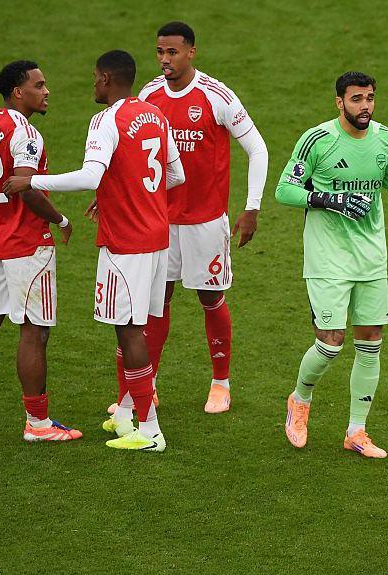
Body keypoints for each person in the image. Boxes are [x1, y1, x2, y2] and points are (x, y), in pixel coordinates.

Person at [4, 50, 185, 452]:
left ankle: (151, 430)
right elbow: (176, 173)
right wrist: (126, 192)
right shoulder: (155, 114)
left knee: (130, 330)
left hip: (126, 242)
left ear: (106, 79)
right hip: (157, 239)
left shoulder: (105, 120)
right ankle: (124, 413)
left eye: (94, 78)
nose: (93, 84)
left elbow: (90, 175)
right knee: (136, 325)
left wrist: (33, 182)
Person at [101, 21, 268, 415]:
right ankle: (148, 384)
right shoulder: (150, 95)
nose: (164, 60)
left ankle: (220, 383)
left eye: (172, 52)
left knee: (210, 297)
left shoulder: (216, 96)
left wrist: (252, 207)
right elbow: (130, 151)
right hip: (159, 221)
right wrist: (106, 193)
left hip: (206, 222)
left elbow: (257, 149)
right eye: (159, 52)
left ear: (191, 52)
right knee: (158, 301)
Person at [275, 71, 388, 458]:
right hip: (327, 259)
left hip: (371, 259)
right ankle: (299, 401)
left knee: (370, 342)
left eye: (369, 98)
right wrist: (332, 200)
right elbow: (285, 190)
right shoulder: (318, 140)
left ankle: (357, 431)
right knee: (330, 343)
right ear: (339, 102)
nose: (364, 106)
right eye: (356, 99)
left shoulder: (385, 139)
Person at [0, 60, 81, 443]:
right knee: (34, 332)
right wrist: (60, 220)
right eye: (39, 85)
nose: (47, 91)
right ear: (18, 92)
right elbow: (27, 187)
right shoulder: (27, 134)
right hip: (26, 246)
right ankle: (37, 424)